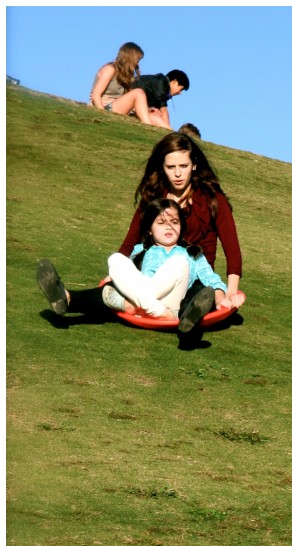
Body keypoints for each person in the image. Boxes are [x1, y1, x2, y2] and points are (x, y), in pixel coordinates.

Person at [37, 132, 245, 324]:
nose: (178, 174)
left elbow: (232, 249)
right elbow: (130, 242)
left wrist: (230, 292)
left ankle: (180, 315)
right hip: (152, 274)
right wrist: (115, 275)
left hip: (194, 274)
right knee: (117, 272)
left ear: (194, 165)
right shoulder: (154, 195)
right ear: (162, 168)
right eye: (171, 168)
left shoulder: (212, 200)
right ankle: (68, 299)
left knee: (199, 295)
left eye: (183, 166)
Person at [103, 199, 223, 332]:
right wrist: (115, 276)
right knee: (115, 259)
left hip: (170, 303)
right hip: (152, 304)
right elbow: (131, 277)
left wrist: (221, 297)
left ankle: (144, 308)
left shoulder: (191, 254)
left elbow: (211, 278)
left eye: (174, 222)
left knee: (179, 261)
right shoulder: (141, 250)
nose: (169, 227)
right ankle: (156, 311)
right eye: (161, 223)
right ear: (149, 229)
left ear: (181, 227)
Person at [88, 42, 154, 126]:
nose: (138, 64)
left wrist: (148, 109)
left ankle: (171, 135)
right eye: (137, 60)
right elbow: (95, 95)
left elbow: (131, 99)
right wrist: (103, 115)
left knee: (154, 116)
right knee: (139, 92)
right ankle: (148, 127)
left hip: (118, 108)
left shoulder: (127, 76)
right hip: (104, 108)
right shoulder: (110, 69)